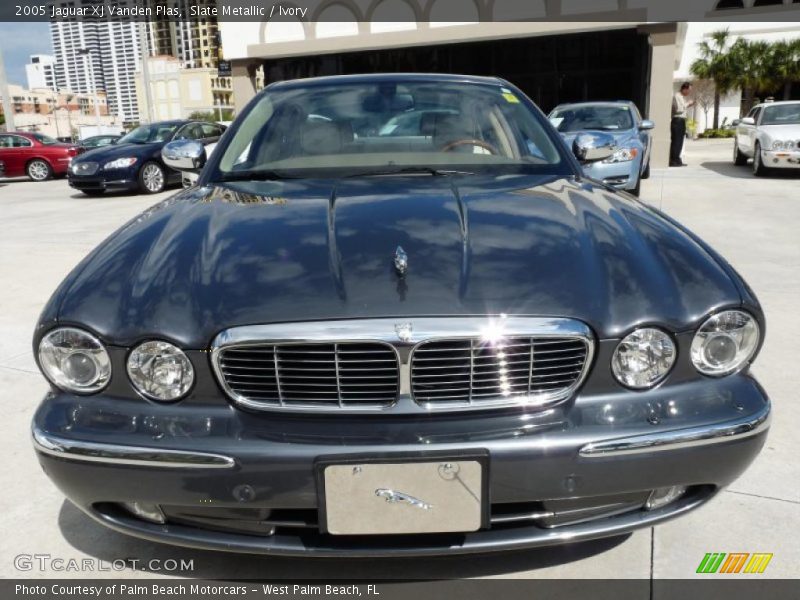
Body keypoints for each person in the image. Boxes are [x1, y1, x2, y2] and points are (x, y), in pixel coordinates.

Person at [670, 82, 695, 167]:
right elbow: (679, 109)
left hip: (681, 120)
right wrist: (688, 103)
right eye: (689, 90)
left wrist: (687, 104)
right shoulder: (677, 96)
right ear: (684, 88)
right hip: (677, 120)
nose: (689, 92)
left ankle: (677, 159)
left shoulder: (682, 97)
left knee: (680, 141)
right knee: (676, 141)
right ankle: (673, 160)